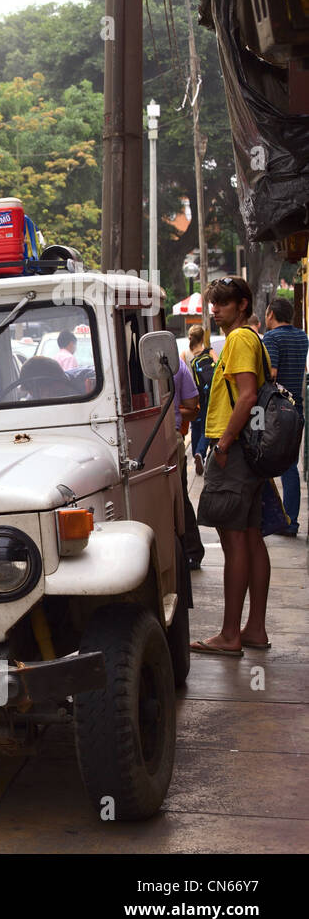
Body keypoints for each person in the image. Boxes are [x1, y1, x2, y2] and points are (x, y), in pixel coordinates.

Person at [192, 276, 270, 656]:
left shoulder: (239, 339)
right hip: (249, 452)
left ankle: (229, 634)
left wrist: (222, 444)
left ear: (242, 304)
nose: (215, 309)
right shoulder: (253, 338)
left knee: (234, 540)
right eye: (213, 303)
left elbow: (247, 396)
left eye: (223, 303)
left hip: (234, 449)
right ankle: (253, 628)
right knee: (252, 538)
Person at [262, 297, 307, 537]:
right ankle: (291, 518)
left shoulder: (272, 338)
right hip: (296, 409)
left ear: (270, 314)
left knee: (266, 460)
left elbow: (272, 372)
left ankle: (281, 520)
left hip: (275, 410)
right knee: (291, 465)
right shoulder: (302, 337)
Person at [172, 352, 204, 569]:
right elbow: (193, 408)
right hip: (171, 436)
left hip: (165, 437)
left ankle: (189, 550)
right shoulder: (178, 366)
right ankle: (191, 551)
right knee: (179, 495)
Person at [187, 324, 217, 476]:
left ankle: (196, 455)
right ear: (203, 337)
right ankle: (200, 452)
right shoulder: (209, 351)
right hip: (208, 397)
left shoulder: (187, 355)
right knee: (207, 427)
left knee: (196, 427)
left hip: (193, 397)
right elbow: (219, 368)